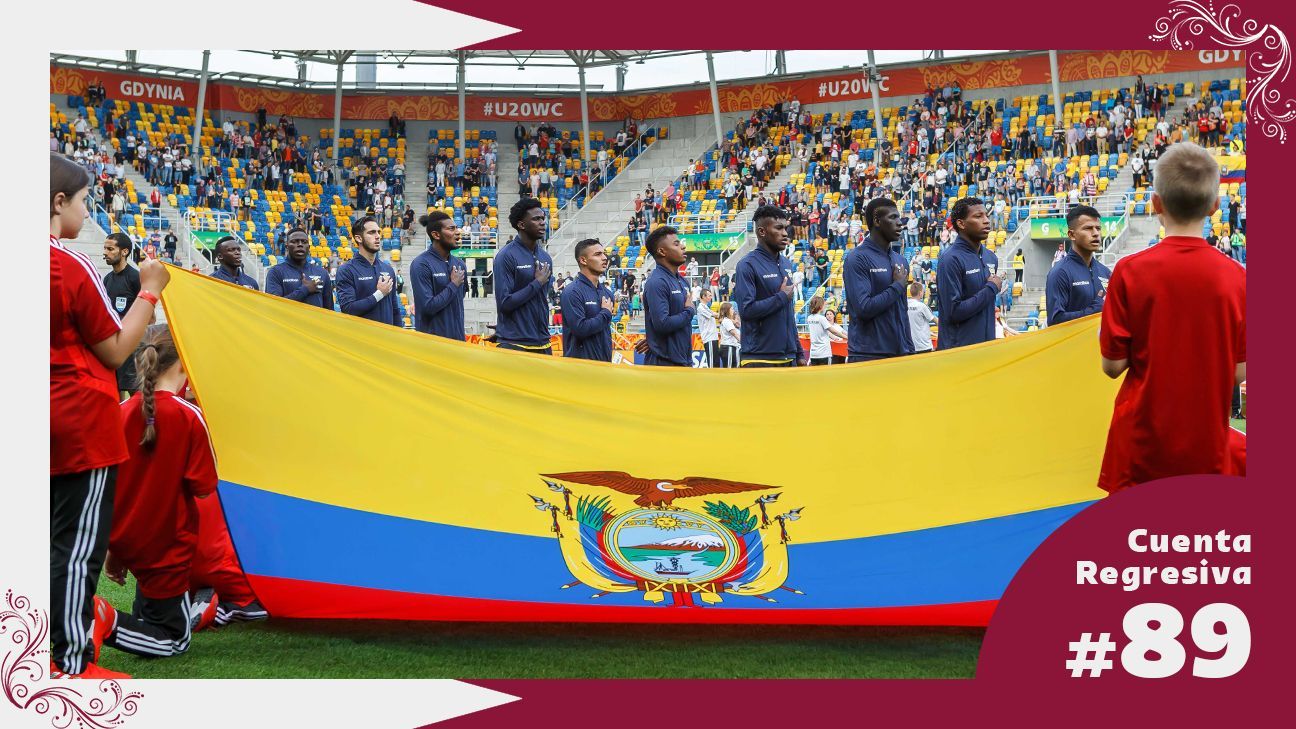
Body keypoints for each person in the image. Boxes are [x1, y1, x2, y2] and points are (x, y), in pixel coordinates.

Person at [50, 152, 170, 679]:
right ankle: (69, 664)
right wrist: (151, 288)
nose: (86, 211)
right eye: (82, 201)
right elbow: (117, 348)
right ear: (59, 203)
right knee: (75, 549)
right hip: (79, 423)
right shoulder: (66, 263)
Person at [1098, 143, 1246, 492]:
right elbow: (1240, 370)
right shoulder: (1239, 278)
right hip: (1207, 444)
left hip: (1141, 445)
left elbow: (1112, 366)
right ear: (1214, 206)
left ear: (1155, 204)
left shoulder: (1129, 271)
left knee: (1137, 542)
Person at [99, 326, 215, 661]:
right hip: (167, 547)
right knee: (176, 642)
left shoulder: (118, 415)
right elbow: (204, 487)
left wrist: (115, 551)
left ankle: (114, 621)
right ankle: (102, 619)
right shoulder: (187, 416)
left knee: (149, 619)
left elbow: (112, 488)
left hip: (129, 544)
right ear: (183, 364)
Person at [843, 198, 913, 362]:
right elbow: (864, 308)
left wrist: (909, 349)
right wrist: (896, 286)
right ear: (876, 221)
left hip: (900, 353)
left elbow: (902, 311)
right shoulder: (857, 258)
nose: (899, 223)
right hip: (867, 355)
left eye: (899, 218)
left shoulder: (901, 260)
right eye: (893, 218)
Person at [733, 206, 804, 367]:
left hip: (789, 358)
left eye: (785, 228)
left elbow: (789, 313)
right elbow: (746, 310)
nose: (785, 233)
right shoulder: (746, 265)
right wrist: (780, 297)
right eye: (778, 228)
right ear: (762, 232)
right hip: (759, 359)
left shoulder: (786, 263)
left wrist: (798, 352)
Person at [936, 197, 1003, 349]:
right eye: (978, 216)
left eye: (986, 215)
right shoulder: (950, 260)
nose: (986, 220)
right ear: (961, 223)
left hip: (986, 349)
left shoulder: (991, 257)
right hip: (959, 354)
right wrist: (991, 289)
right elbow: (953, 312)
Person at [493, 198, 555, 354]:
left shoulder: (546, 257)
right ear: (521, 225)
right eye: (536, 219)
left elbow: (540, 300)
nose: (542, 222)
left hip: (543, 342)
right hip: (515, 344)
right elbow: (505, 303)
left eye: (543, 218)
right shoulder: (506, 256)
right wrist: (537, 282)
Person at [1045, 206, 1112, 325]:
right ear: (1072, 235)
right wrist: (1093, 312)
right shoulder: (1060, 272)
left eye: (1098, 228)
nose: (1096, 233)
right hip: (1074, 344)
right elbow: (1055, 320)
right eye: (1088, 228)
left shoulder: (1106, 272)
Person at [641, 226, 696, 366]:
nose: (683, 246)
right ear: (661, 251)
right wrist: (689, 311)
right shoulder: (656, 282)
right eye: (676, 244)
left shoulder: (682, 281)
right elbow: (662, 324)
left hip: (683, 362)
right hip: (663, 365)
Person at [410, 211, 467, 341]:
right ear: (436, 235)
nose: (457, 232)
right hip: (432, 346)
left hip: (458, 342)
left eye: (456, 228)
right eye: (451, 229)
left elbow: (458, 300)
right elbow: (428, 307)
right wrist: (453, 285)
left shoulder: (460, 264)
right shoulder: (421, 264)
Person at [335, 217, 401, 326]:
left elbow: (395, 309)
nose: (378, 236)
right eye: (371, 232)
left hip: (387, 339)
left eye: (378, 232)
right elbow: (348, 309)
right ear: (359, 238)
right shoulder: (346, 270)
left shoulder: (387, 269)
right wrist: (379, 294)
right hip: (362, 339)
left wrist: (400, 336)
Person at [560, 239, 615, 361]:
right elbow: (580, 329)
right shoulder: (572, 292)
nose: (604, 257)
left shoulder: (608, 293)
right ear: (583, 260)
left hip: (604, 366)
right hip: (579, 369)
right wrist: (605, 313)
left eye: (604, 253)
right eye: (598, 254)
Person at [101, 233, 141, 398]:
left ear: (124, 252)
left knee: (136, 395)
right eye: (104, 248)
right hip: (113, 346)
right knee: (114, 393)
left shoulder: (135, 277)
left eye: (110, 249)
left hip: (133, 348)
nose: (105, 252)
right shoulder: (107, 279)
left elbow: (149, 315)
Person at [265, 228, 334, 310]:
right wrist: (305, 290)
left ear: (308, 247)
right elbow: (274, 307)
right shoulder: (275, 272)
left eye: (304, 242)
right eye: (294, 241)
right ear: (287, 246)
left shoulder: (322, 273)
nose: (300, 244)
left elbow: (329, 310)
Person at [806, 295, 847, 365]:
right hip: (823, 353)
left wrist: (834, 337)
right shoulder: (822, 318)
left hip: (813, 353)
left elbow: (826, 332)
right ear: (820, 306)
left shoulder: (809, 318)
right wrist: (846, 337)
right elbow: (834, 331)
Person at [906, 282, 936, 353]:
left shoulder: (905, 305)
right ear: (920, 293)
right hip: (924, 346)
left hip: (910, 346)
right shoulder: (922, 306)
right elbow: (935, 320)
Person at [694, 289, 720, 367]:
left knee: (716, 361)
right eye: (709, 295)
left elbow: (715, 314)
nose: (711, 297)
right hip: (709, 337)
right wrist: (724, 313)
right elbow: (715, 315)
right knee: (712, 363)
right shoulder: (700, 308)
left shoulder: (706, 307)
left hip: (713, 337)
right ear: (703, 297)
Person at [717, 302, 741, 368]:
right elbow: (734, 333)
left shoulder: (727, 320)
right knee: (729, 369)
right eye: (732, 309)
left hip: (727, 348)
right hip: (728, 348)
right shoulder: (727, 321)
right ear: (727, 310)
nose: (733, 310)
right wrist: (743, 343)